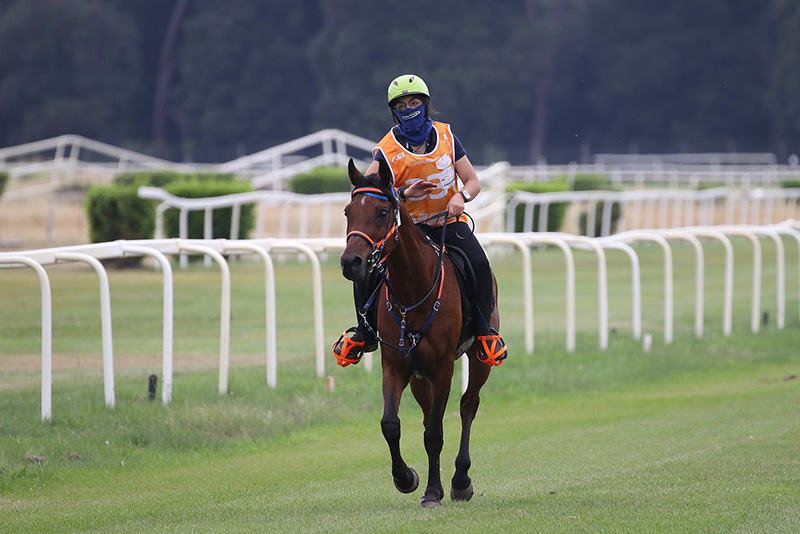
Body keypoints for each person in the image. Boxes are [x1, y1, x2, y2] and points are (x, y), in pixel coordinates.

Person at [333, 73, 507, 367]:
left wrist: (460, 197)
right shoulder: (386, 149)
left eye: (414, 102)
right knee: (367, 269)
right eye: (401, 106)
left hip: (448, 226)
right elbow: (368, 187)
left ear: (426, 105)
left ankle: (484, 331)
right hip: (408, 232)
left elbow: (473, 180)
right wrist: (403, 192)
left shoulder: (448, 137)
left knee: (479, 263)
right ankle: (364, 332)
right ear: (394, 112)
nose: (409, 109)